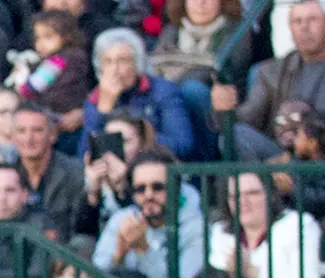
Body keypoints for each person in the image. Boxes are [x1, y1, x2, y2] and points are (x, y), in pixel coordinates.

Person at [218, 0, 325, 161]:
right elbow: (248, 120)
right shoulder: (270, 72)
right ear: (290, 28)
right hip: (281, 157)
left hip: (320, 155)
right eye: (298, 21)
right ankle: (263, 183)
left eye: (312, 19)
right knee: (235, 135)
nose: (304, 27)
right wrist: (224, 111)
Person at [95, 152, 203, 278]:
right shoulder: (122, 219)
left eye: (158, 187)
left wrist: (145, 252)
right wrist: (119, 257)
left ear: (175, 188)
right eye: (140, 189)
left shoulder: (194, 227)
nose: (148, 195)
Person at [81, 29, 195, 160]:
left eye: (122, 60)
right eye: (108, 61)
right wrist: (102, 111)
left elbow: (182, 145)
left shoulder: (163, 90)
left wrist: (139, 136)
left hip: (155, 168)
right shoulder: (95, 98)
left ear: (137, 63)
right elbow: (84, 154)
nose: (114, 69)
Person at [150, 0, 237, 158]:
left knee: (192, 91)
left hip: (212, 116)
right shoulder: (171, 31)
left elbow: (217, 72)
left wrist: (174, 79)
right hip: (171, 104)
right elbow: (156, 68)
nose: (201, 3)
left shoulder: (234, 32)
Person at [4, 101, 85, 236]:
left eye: (37, 130)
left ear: (52, 135)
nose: (29, 139)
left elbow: (82, 228)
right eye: (22, 131)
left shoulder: (76, 172)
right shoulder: (5, 175)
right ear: (13, 137)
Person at [7, 11, 90, 128]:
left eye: (48, 37)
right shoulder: (78, 55)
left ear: (66, 36)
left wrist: (21, 89)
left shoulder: (57, 61)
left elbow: (35, 84)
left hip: (57, 110)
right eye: (37, 38)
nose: (41, 44)